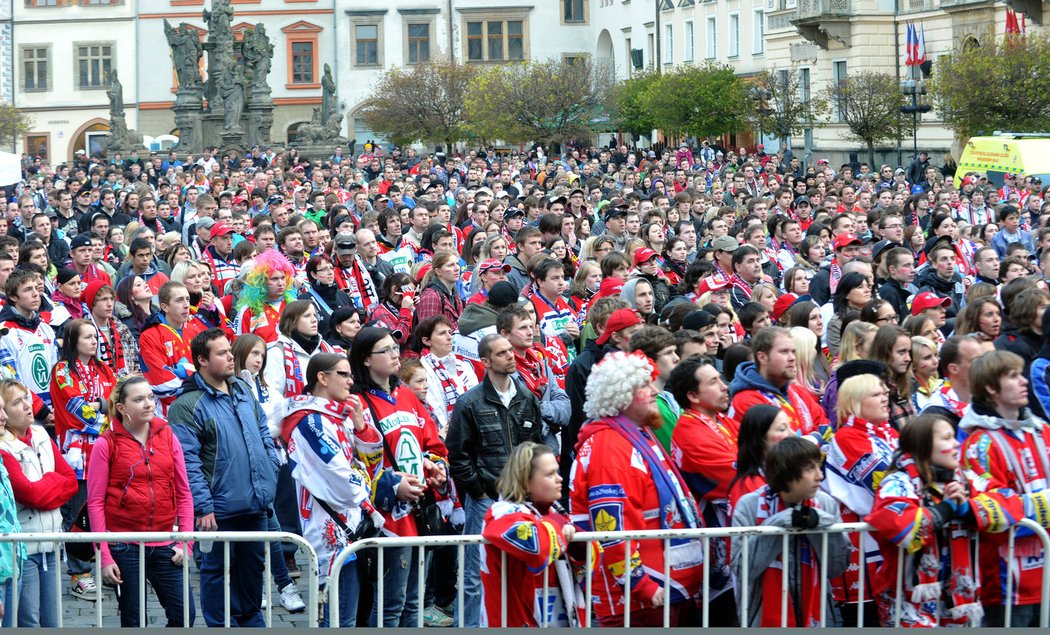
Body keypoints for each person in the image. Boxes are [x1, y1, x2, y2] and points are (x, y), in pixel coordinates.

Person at [569, 350, 704, 626]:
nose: (655, 390)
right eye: (645, 385)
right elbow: (612, 527)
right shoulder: (611, 445)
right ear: (622, 395)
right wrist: (640, 584)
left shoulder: (635, 434)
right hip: (642, 599)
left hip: (663, 589)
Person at [169, 328, 279, 627]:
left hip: (255, 502)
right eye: (222, 353)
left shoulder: (243, 390)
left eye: (230, 351)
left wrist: (271, 469)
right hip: (217, 510)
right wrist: (203, 507)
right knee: (216, 573)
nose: (231, 357)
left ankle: (251, 621)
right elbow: (188, 462)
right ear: (202, 361)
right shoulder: (187, 405)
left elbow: (263, 433)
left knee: (253, 570)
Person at [348, 327, 450, 627]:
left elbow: (431, 443)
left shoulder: (405, 394)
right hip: (387, 517)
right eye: (386, 350)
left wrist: (435, 467)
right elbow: (353, 462)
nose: (395, 355)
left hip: (419, 508)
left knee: (415, 602)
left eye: (395, 348)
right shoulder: (357, 402)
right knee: (391, 604)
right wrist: (391, 487)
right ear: (366, 359)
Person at [280, 354, 389, 627]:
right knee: (341, 619)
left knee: (354, 614)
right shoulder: (310, 422)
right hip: (333, 527)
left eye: (351, 376)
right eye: (344, 375)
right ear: (322, 378)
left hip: (354, 521)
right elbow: (342, 482)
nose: (351, 382)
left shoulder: (340, 415)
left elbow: (374, 463)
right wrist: (367, 485)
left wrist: (361, 424)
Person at [445, 333, 545, 627]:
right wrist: (478, 491)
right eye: (501, 353)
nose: (511, 356)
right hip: (486, 500)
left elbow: (535, 446)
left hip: (521, 500)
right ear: (486, 361)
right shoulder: (470, 402)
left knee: (521, 569)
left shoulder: (526, 397)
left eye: (510, 351)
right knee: (475, 575)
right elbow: (457, 454)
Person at [866, 413, 994, 627]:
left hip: (958, 602)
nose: (956, 444)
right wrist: (945, 508)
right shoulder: (898, 483)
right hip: (908, 602)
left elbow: (1006, 503)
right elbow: (901, 527)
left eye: (954, 437)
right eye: (946, 438)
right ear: (923, 445)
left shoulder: (967, 480)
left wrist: (967, 508)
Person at [87, 375, 196, 627]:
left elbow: (184, 492)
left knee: (185, 616)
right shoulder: (107, 443)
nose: (148, 404)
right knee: (135, 621)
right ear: (122, 408)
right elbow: (95, 502)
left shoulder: (168, 435)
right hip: (123, 545)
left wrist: (185, 543)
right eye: (139, 399)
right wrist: (104, 556)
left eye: (150, 397)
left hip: (165, 543)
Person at [959, 350, 1050, 626]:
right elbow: (993, 511)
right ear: (990, 388)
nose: (1024, 381)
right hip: (1009, 583)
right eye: (1013, 376)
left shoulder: (1042, 431)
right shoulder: (979, 444)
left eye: (1021, 374)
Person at [730, 436, 849, 627]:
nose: (820, 476)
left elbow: (837, 567)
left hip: (817, 616)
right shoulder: (749, 505)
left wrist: (819, 523)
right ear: (787, 474)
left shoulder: (825, 504)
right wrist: (778, 525)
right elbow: (742, 569)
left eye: (818, 467)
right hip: (761, 616)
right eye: (810, 469)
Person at [667, 354, 739, 623]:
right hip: (714, 547)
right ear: (693, 396)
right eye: (714, 381)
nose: (724, 386)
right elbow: (740, 475)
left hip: (732, 541)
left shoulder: (722, 421)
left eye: (721, 379)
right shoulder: (690, 430)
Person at [0, 379, 77, 627]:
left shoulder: (42, 434)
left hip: (52, 542)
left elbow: (71, 483)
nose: (26, 405)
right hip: (26, 548)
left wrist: (46, 486)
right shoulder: (4, 448)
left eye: (26, 398)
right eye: (16, 402)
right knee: (29, 621)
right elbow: (29, 494)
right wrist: (54, 481)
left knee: (53, 620)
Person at [823, 372, 898, 626]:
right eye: (876, 394)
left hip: (888, 544)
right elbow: (887, 484)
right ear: (855, 402)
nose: (884, 399)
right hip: (862, 555)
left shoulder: (888, 433)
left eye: (885, 393)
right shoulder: (848, 437)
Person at [482, 442, 583, 627]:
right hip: (515, 621)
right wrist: (562, 527)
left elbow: (592, 561)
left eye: (557, 472)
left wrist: (579, 544)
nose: (559, 479)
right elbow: (536, 546)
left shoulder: (555, 512)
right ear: (526, 482)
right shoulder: (501, 512)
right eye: (550, 474)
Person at [728, 326, 829, 442]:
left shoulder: (797, 391)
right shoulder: (745, 401)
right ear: (763, 357)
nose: (792, 358)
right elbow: (784, 452)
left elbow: (826, 429)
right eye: (784, 352)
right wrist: (816, 438)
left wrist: (811, 439)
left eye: (793, 352)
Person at [138, 281, 205, 415]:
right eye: (179, 300)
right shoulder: (149, 336)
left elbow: (209, 370)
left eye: (187, 299)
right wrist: (196, 378)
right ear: (165, 306)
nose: (186, 305)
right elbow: (162, 384)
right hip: (169, 413)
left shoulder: (195, 330)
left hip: (201, 406)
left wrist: (184, 372)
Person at [415, 315, 478, 437]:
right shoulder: (422, 370)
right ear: (427, 341)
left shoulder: (464, 366)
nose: (449, 337)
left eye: (450, 332)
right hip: (445, 438)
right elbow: (435, 409)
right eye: (442, 333)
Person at [726, 404, 792, 511]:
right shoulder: (748, 487)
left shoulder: (779, 473)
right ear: (760, 438)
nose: (792, 434)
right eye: (782, 429)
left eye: (790, 427)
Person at [234, 249, 297, 344]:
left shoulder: (294, 306)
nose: (280, 283)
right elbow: (240, 346)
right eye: (274, 279)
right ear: (261, 282)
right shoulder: (248, 311)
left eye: (283, 278)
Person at [299, 254, 352, 339]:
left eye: (331, 268)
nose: (330, 272)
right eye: (324, 269)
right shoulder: (304, 301)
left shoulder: (343, 295)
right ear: (314, 274)